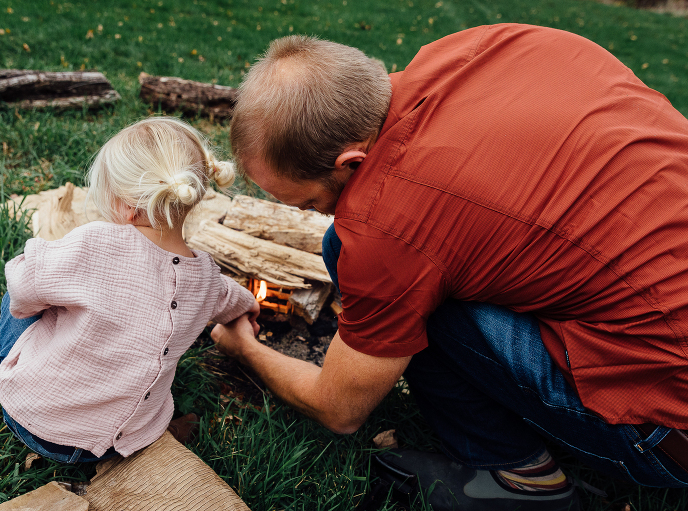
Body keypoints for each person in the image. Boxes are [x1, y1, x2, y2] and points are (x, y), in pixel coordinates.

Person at [212, 23, 688, 510]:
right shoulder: (498, 43)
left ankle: (522, 480)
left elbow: (339, 410)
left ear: (352, 163)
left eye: (310, 202)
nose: (311, 214)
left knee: (388, 279)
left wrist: (243, 347)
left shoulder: (388, 226)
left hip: (668, 431)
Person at [0, 117, 260, 464]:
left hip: (33, 419)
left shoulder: (96, 241)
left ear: (125, 205)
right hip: (118, 444)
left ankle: (30, 374)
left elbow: (22, 282)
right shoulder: (208, 279)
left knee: (19, 302)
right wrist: (250, 305)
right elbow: (228, 297)